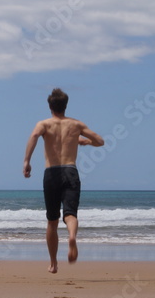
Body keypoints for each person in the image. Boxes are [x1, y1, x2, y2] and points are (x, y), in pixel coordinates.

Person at [23, 88, 104, 273]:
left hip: (51, 173)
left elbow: (34, 136)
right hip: (70, 170)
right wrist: (84, 142)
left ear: (50, 106)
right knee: (70, 214)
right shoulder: (76, 124)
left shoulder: (44, 124)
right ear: (65, 106)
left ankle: (53, 263)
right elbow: (100, 141)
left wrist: (27, 161)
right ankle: (72, 237)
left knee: (52, 220)